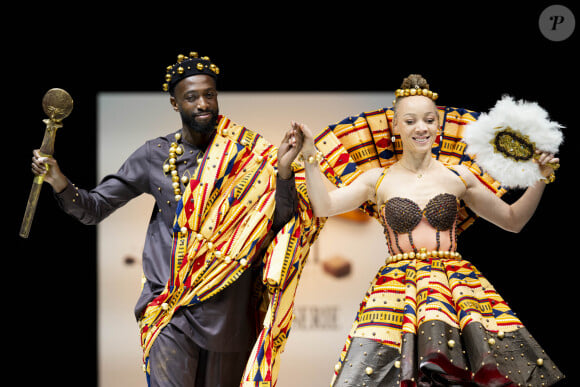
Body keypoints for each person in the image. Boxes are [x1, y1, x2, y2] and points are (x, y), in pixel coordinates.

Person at [31, 52, 302, 386]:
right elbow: (94, 208)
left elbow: (279, 221)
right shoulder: (155, 154)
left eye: (210, 94)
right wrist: (58, 179)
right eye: (192, 97)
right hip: (169, 311)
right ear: (175, 104)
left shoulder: (246, 157)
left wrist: (285, 169)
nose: (203, 103)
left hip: (230, 316)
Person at [290, 74, 565, 386]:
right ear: (395, 126)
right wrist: (310, 153)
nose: (421, 127)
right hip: (396, 291)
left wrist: (541, 178)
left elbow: (513, 221)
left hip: (455, 288)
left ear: (438, 126)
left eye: (428, 120)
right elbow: (324, 206)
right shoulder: (377, 179)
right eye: (410, 121)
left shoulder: (459, 176)